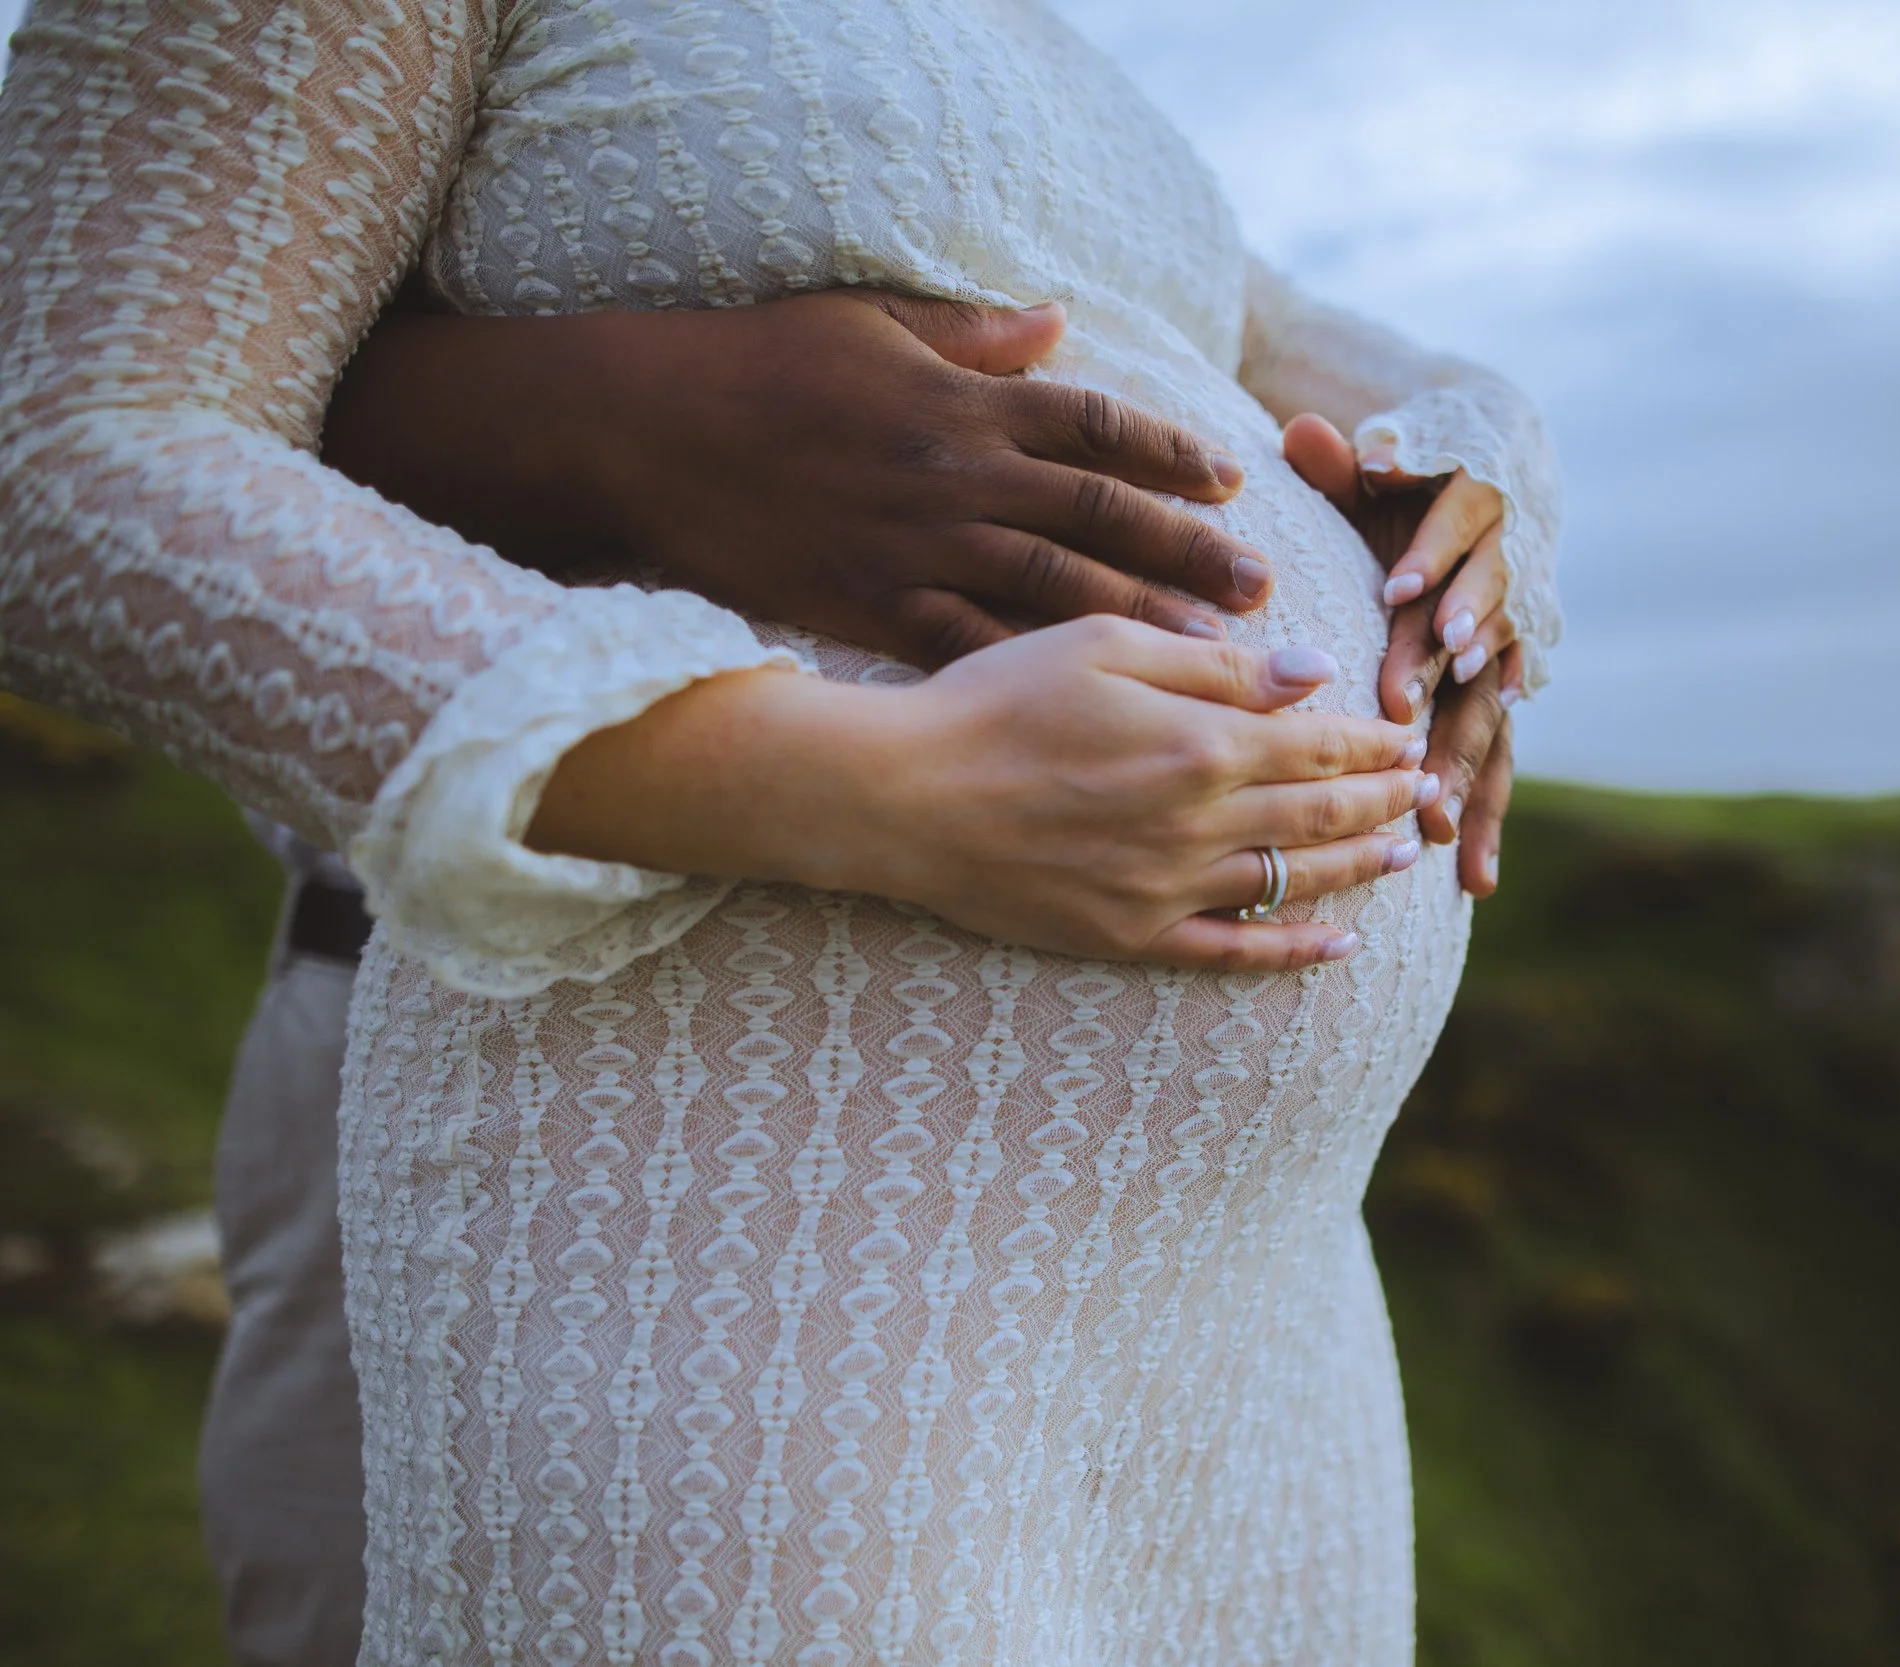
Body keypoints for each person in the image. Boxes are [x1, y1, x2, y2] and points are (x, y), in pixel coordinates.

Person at [0, 2, 1560, 1660]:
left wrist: (1486, 481)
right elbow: (61, 451)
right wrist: (876, 780)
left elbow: (1281, 331)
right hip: (741, 1253)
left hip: (1253, 1311)